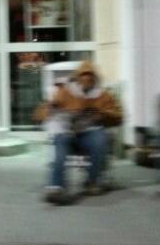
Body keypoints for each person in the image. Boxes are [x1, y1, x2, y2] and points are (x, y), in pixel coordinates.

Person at [35, 61, 123, 205]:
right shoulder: (65, 92)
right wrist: (51, 110)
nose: (86, 80)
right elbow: (43, 112)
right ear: (77, 78)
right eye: (83, 77)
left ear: (95, 79)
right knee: (60, 142)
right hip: (67, 132)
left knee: (99, 140)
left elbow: (118, 116)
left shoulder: (104, 95)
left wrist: (101, 113)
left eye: (90, 77)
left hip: (89, 133)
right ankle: (56, 188)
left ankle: (92, 181)